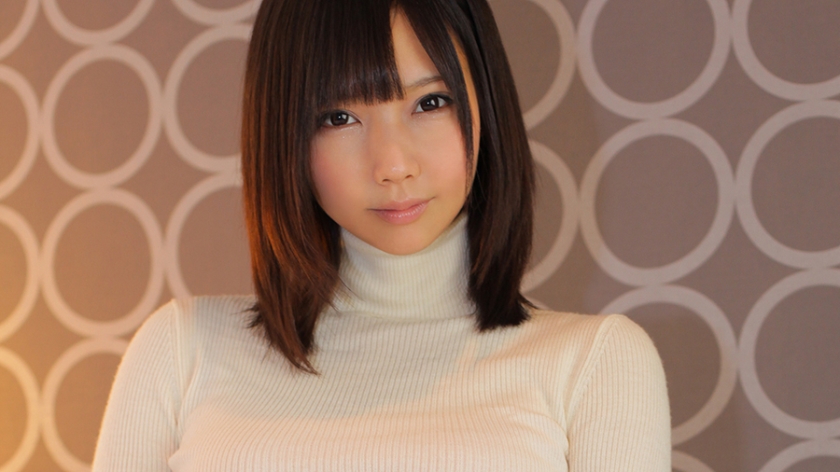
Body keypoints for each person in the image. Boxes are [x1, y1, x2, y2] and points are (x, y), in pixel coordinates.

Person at [92, 0, 670, 470]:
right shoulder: (182, 351)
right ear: (285, 133)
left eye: (430, 102)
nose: (393, 165)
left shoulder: (594, 365)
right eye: (339, 117)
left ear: (485, 104)